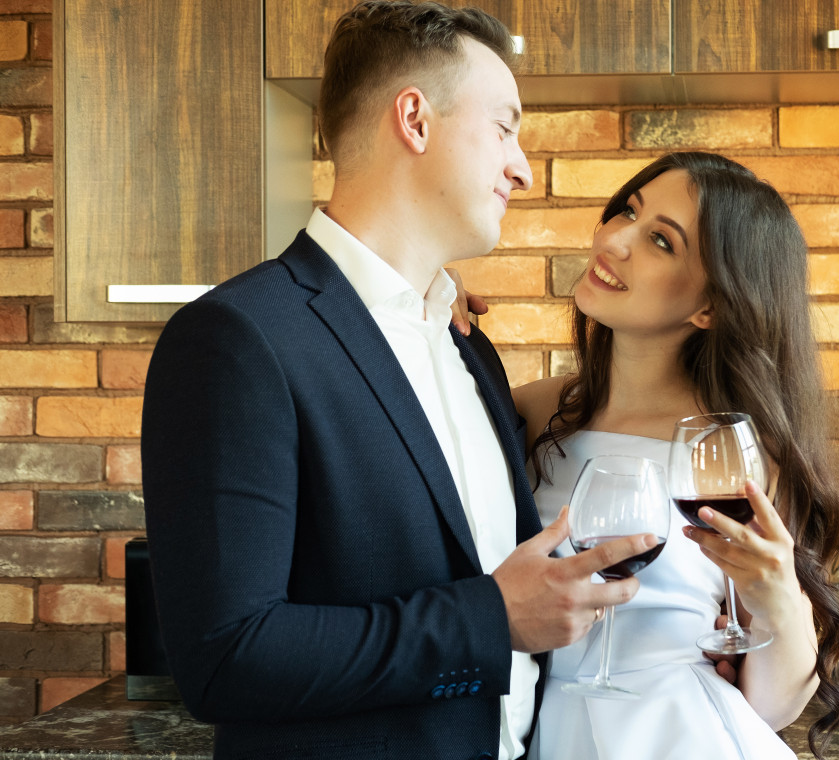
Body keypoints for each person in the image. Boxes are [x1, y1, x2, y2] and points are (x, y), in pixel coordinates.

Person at [140, 3, 654, 759]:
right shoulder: (238, 339)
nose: (522, 166)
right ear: (414, 119)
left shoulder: (471, 347)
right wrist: (488, 619)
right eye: (505, 128)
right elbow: (227, 658)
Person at [508, 152, 839, 760]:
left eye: (660, 241)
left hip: (679, 734)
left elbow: (771, 708)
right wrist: (436, 299)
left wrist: (777, 592)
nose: (614, 241)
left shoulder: (738, 453)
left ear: (711, 308)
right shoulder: (536, 411)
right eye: (627, 213)